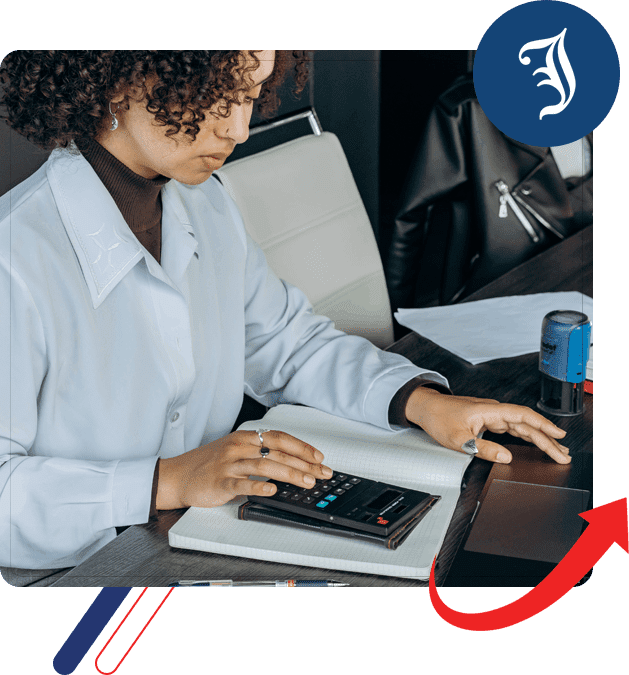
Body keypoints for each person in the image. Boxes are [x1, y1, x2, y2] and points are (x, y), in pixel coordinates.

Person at [0, 50, 571, 585]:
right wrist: (166, 480)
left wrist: (423, 404)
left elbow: (286, 341)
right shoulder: (15, 257)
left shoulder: (208, 204)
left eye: (250, 97)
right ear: (122, 78)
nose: (238, 129)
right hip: (75, 578)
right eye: (217, 95)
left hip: (198, 534)